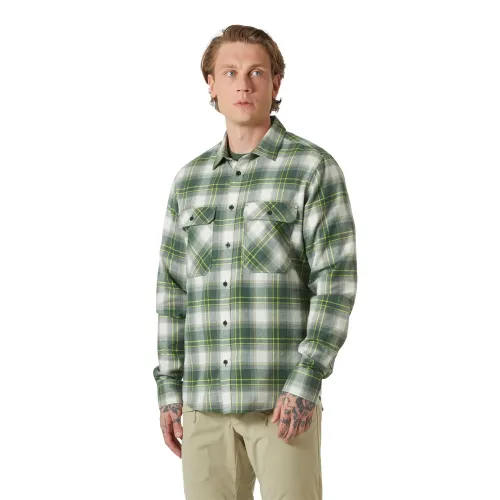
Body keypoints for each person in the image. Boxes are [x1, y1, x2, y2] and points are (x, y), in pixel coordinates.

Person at [153, 24, 357, 500]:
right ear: (211, 84)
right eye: (229, 72)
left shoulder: (312, 168)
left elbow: (336, 282)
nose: (243, 84)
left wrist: (306, 380)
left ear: (276, 82)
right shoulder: (189, 181)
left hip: (281, 404)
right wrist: (169, 390)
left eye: (256, 72)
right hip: (203, 406)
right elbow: (171, 293)